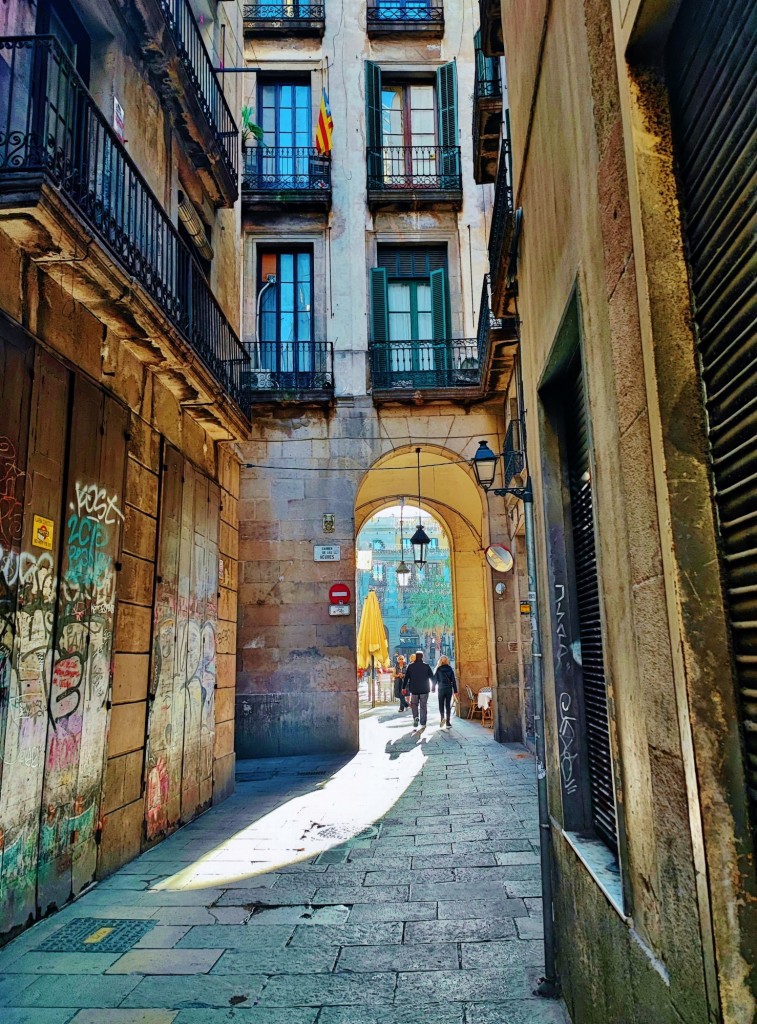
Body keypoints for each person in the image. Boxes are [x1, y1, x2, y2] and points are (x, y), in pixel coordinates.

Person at [404, 649, 433, 729]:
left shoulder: (410, 666)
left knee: (414, 705)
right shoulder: (426, 666)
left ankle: (415, 717)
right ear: (422, 657)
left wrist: (403, 687)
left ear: (416, 657)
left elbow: (406, 678)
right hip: (424, 689)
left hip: (414, 690)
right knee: (423, 706)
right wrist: (433, 686)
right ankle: (423, 722)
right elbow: (432, 677)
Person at [433, 655, 458, 729]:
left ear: (440, 661)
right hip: (448, 689)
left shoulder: (438, 669)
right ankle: (448, 722)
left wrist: (433, 688)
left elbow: (434, 680)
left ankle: (442, 718)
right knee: (447, 705)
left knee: (441, 704)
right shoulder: (450, 669)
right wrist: (455, 690)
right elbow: (453, 680)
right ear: (447, 661)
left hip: (441, 688)